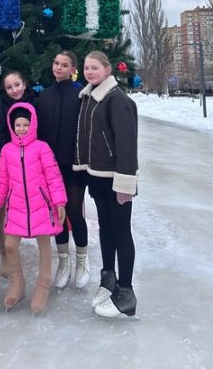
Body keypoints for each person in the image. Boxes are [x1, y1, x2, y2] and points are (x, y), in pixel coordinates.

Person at [73, 51, 138, 318]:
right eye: (87, 68)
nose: (90, 72)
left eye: (95, 68)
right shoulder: (89, 97)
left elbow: (126, 146)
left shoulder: (116, 100)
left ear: (107, 69)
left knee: (121, 231)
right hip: (97, 177)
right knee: (106, 230)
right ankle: (108, 279)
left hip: (115, 180)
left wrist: (125, 183)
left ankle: (126, 291)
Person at [0, 104, 67, 314]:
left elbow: (53, 176)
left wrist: (59, 202)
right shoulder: (7, 150)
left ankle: (43, 284)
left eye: (26, 124)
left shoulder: (42, 148)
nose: (22, 128)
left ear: (32, 124)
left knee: (44, 244)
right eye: (18, 124)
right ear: (12, 125)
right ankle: (18, 283)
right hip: (17, 206)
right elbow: (2, 180)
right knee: (9, 245)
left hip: (41, 205)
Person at [36, 50, 89, 291]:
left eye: (64, 64)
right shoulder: (44, 96)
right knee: (57, 216)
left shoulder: (80, 95)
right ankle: (63, 263)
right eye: (56, 63)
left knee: (75, 212)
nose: (58, 67)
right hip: (50, 168)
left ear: (72, 69)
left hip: (74, 167)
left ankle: (81, 261)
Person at [0, 70, 37, 278]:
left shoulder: (35, 102)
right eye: (9, 87)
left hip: (31, 162)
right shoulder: (0, 105)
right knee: (4, 208)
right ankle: (5, 254)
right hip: (8, 161)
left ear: (24, 83)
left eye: (17, 85)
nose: (14, 90)